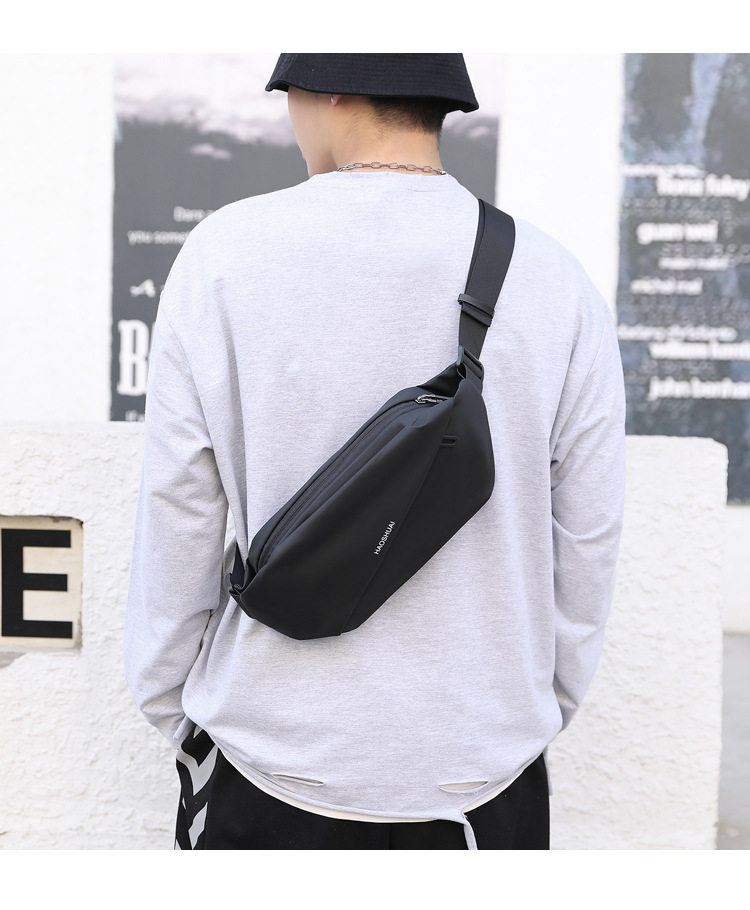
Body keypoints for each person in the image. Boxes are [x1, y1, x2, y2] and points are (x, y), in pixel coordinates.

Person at [123, 53, 627, 850]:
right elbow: (589, 534)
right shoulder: (557, 280)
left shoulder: (223, 257)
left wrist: (177, 710)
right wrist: (530, 712)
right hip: (481, 783)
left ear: (325, 92)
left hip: (269, 760)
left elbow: (179, 509)